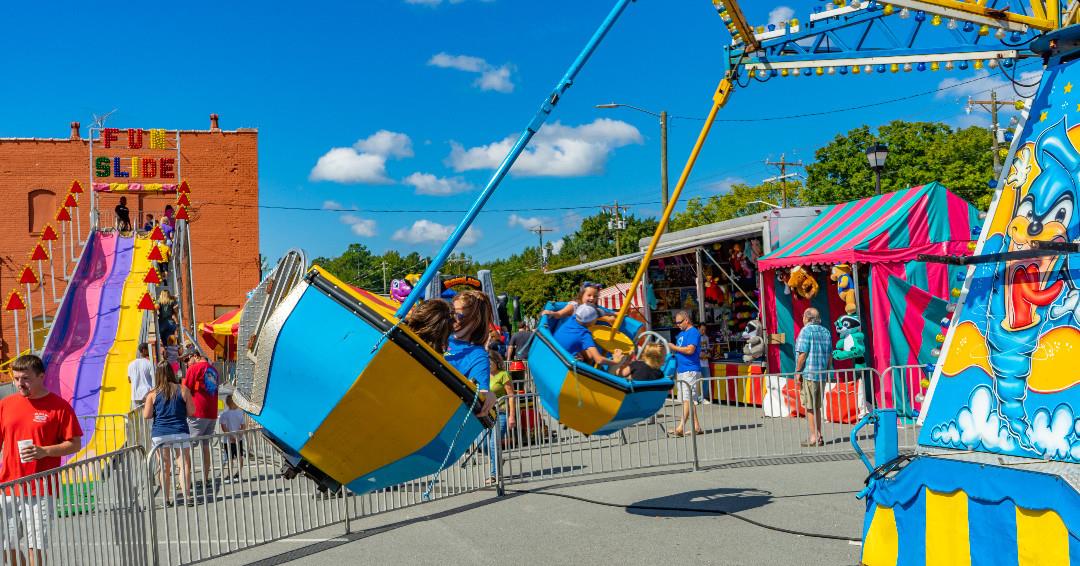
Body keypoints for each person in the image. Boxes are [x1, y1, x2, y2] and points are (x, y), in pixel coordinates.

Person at [0, 355, 82, 565]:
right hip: (8, 486)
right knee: (6, 543)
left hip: (40, 488)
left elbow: (74, 444)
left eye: (25, 378)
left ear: (41, 377)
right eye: (16, 378)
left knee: (35, 544)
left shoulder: (59, 407)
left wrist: (44, 451)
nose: (19, 383)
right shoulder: (6, 405)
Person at [143, 362, 195, 507]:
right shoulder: (183, 389)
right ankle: (187, 497)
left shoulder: (153, 394)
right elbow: (191, 411)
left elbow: (146, 415)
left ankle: (166, 499)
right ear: (172, 372)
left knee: (164, 466)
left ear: (157, 375)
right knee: (184, 464)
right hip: (180, 430)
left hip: (160, 433)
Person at [446, 290, 497, 417]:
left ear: (475, 320)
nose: (452, 318)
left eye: (458, 315)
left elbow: (481, 392)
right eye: (451, 313)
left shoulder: (477, 355)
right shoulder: (439, 336)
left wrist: (488, 395)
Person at [795, 307, 833, 447]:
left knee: (810, 407)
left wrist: (797, 372)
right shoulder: (826, 331)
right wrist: (828, 371)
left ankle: (814, 437)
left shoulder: (805, 331)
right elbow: (830, 355)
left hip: (809, 373)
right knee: (817, 406)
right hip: (821, 373)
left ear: (807, 318)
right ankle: (818, 435)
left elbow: (802, 354)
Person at [182, 350, 220, 490]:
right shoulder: (214, 369)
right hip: (211, 413)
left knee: (187, 448)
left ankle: (186, 479)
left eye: (188, 359)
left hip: (197, 412)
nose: (186, 362)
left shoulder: (194, 368)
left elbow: (185, 389)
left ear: (196, 356)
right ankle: (205, 479)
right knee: (205, 447)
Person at [551, 305, 625, 369]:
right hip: (564, 362)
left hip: (553, 350)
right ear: (591, 321)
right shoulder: (585, 335)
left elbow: (586, 318)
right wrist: (616, 361)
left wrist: (610, 316)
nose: (598, 318)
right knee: (590, 357)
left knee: (589, 356)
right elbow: (599, 360)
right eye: (597, 317)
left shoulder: (574, 318)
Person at [483, 351, 515, 486]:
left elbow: (511, 396)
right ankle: (498, 460)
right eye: (487, 363)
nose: (488, 365)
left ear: (496, 362)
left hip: (501, 413)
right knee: (484, 445)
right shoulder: (483, 375)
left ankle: (494, 474)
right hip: (485, 415)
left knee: (493, 444)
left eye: (490, 363)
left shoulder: (503, 374)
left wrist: (512, 416)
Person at [669, 310, 703, 437]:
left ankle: (680, 427)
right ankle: (696, 426)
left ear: (686, 320)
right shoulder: (682, 334)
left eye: (679, 322)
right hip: (683, 370)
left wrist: (674, 347)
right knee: (688, 400)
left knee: (688, 399)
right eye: (676, 322)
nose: (677, 324)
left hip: (690, 370)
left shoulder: (693, 332)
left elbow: (690, 350)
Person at [218, 395, 246, 484]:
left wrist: (230, 436)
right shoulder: (240, 413)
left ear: (227, 403)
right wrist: (239, 435)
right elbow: (243, 426)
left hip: (228, 440)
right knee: (240, 457)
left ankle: (229, 475)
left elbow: (223, 427)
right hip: (239, 439)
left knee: (229, 458)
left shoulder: (224, 413)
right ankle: (238, 474)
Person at [127, 342, 154, 411]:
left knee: (138, 419)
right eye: (148, 349)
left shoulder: (131, 364)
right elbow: (154, 378)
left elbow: (129, 380)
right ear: (144, 350)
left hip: (135, 394)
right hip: (147, 393)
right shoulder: (149, 363)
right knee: (148, 417)